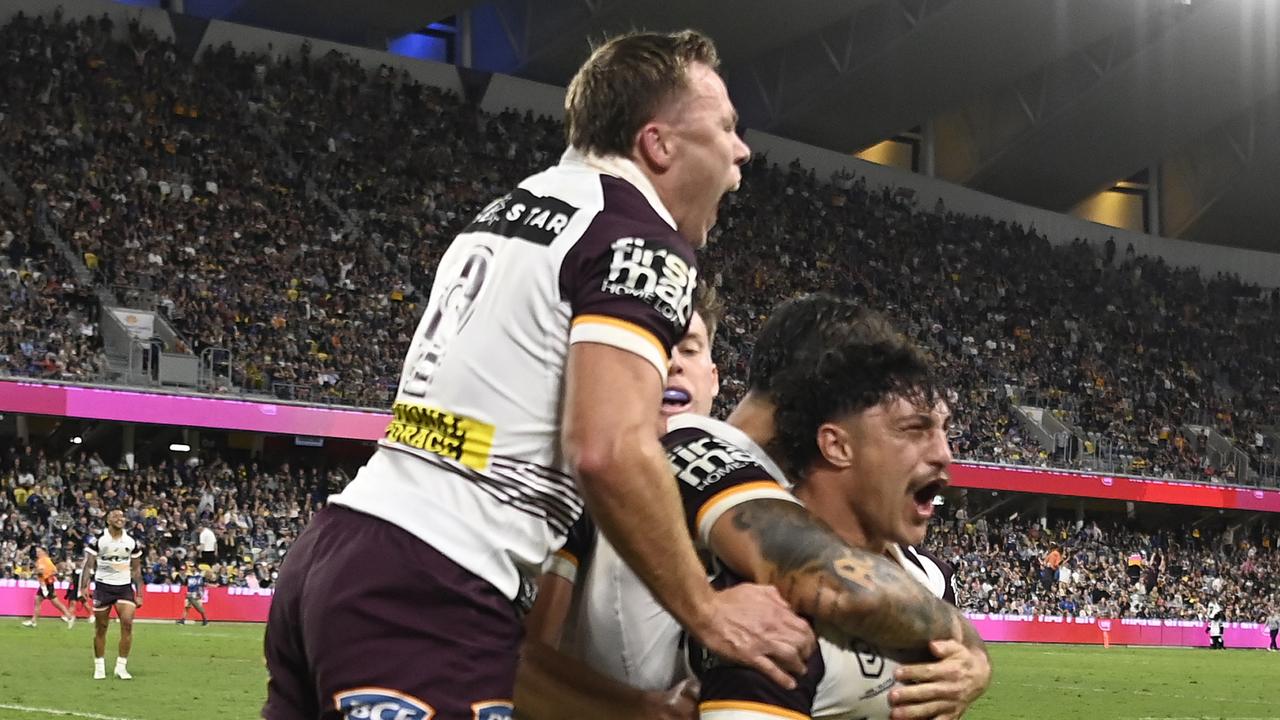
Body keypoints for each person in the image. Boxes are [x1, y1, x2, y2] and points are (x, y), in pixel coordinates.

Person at [264, 30, 810, 720]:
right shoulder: (638, 236)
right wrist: (707, 610)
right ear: (659, 143)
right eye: (727, 127)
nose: (741, 152)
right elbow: (607, 448)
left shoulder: (515, 208)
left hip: (343, 546)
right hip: (433, 580)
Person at [518, 295, 988, 720]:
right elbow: (838, 580)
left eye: (690, 348)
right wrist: (971, 647)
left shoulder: (782, 486)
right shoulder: (692, 445)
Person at [80, 509, 144, 680]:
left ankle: (121, 667)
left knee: (127, 623)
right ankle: (99, 666)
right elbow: (88, 565)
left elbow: (136, 569)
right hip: (103, 587)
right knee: (101, 628)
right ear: (108, 520)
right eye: (115, 516)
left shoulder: (131, 541)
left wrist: (140, 593)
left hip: (124, 587)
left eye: (122, 516)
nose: (119, 518)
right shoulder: (98, 540)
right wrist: (83, 586)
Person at [21, 547, 74, 629]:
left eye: (39, 551)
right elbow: (54, 571)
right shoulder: (47, 559)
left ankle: (69, 617)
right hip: (48, 583)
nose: (39, 552)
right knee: (44, 601)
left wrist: (32, 573)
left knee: (49, 602)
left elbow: (41, 572)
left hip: (46, 584)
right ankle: (33, 621)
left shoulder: (41, 561)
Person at [176, 561, 209, 626]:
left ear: (195, 568)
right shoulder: (189, 576)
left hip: (196, 593)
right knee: (187, 607)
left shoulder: (199, 576)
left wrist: (200, 594)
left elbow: (200, 585)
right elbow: (187, 585)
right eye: (191, 567)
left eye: (193, 567)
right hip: (190, 593)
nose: (191, 568)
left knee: (200, 607)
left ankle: (205, 620)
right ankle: (182, 620)